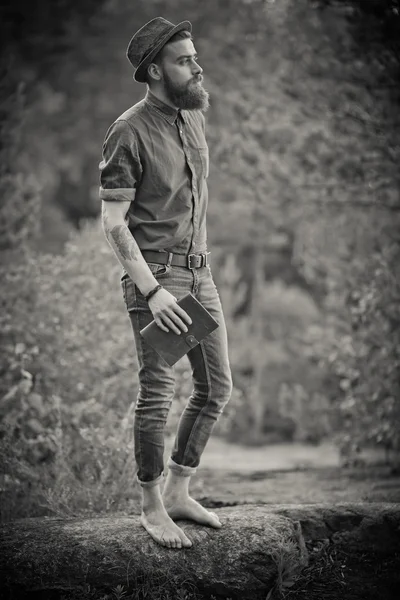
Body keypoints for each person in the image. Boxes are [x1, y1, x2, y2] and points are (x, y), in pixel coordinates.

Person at [99, 17, 232, 550]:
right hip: (158, 279)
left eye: (195, 57)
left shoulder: (192, 119)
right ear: (156, 70)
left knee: (216, 387)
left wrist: (195, 268)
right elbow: (113, 222)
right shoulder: (127, 130)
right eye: (184, 60)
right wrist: (154, 290)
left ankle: (179, 491)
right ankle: (152, 507)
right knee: (157, 395)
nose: (197, 66)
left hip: (199, 273)